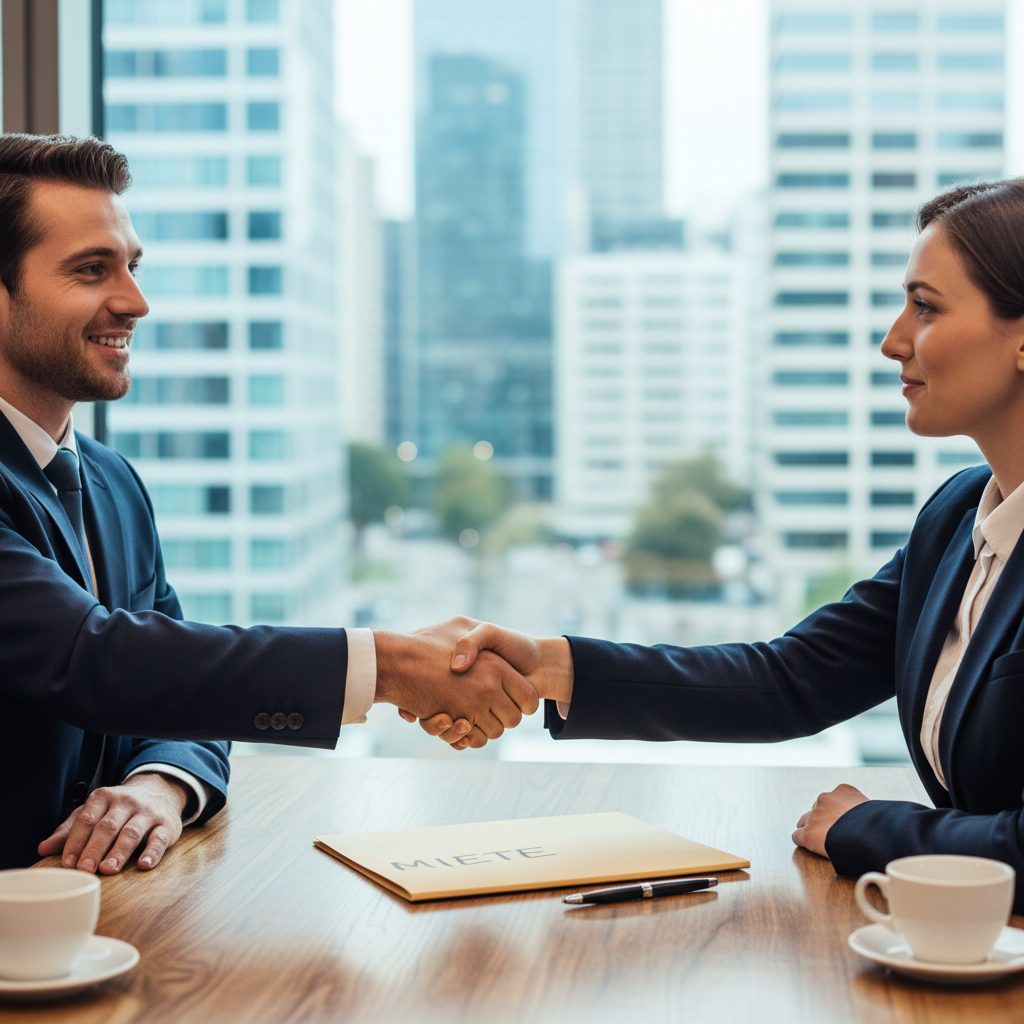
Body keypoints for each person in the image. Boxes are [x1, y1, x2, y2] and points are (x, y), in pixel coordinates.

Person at [424, 178, 1024, 913]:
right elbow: (789, 679)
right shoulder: (957, 516)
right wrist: (549, 665)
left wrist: (870, 828)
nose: (893, 339)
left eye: (925, 307)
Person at [0, 133, 537, 877]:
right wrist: (388, 665)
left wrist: (160, 786)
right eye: (92, 270)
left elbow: (184, 684)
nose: (135, 301)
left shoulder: (113, 482)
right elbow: (93, 660)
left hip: (111, 930)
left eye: (131, 265)